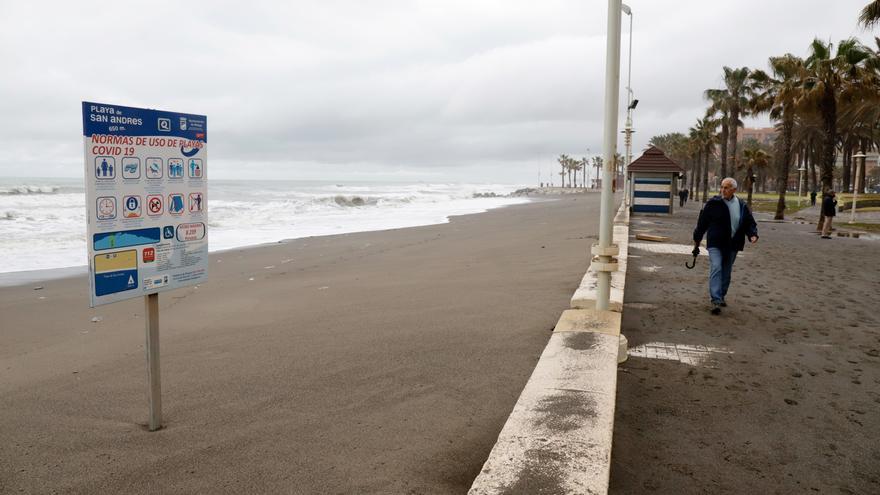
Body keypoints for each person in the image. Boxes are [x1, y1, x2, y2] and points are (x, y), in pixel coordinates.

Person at [692, 177, 759, 315]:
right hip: (715, 243)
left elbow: (749, 222)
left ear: (734, 190)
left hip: (733, 244)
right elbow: (702, 224)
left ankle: (721, 295)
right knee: (716, 266)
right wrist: (696, 242)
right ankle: (715, 299)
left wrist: (752, 234)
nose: (723, 190)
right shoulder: (713, 203)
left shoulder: (741, 205)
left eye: (726, 187)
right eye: (722, 187)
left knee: (726, 273)